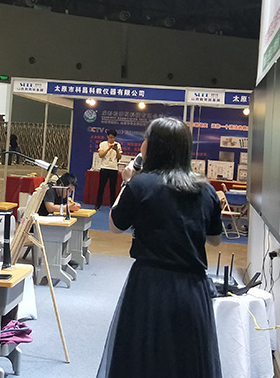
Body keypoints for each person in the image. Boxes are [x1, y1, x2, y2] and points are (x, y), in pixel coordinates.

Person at [97, 117, 223, 378]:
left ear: (154, 147)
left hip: (148, 286)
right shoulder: (206, 189)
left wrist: (126, 181)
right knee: (186, 360)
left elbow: (115, 226)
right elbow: (215, 239)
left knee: (142, 359)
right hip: (192, 289)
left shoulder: (140, 185)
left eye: (146, 139)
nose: (142, 144)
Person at [95, 129, 122, 211]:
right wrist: (108, 149)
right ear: (107, 137)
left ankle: (113, 206)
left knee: (113, 188)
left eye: (113, 138)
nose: (112, 139)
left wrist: (116, 150)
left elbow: (119, 157)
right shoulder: (103, 144)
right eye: (110, 137)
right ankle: (97, 205)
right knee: (101, 187)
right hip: (104, 168)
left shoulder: (118, 145)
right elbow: (100, 155)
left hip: (114, 169)